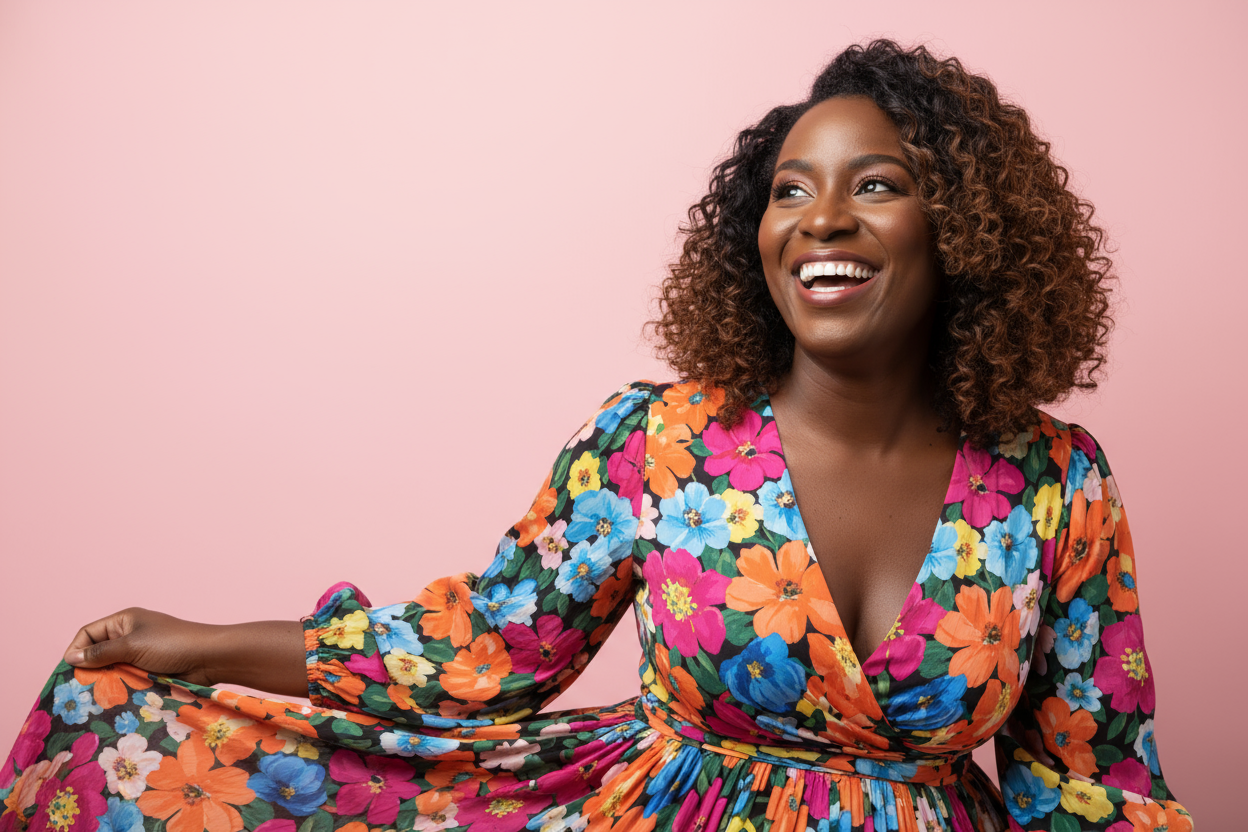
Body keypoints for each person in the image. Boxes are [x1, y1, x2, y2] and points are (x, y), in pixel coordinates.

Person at [0, 39, 1191, 832]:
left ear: (965, 228)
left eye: (874, 184)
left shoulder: (1058, 485)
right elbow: (483, 652)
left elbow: (1091, 780)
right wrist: (192, 644)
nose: (822, 218)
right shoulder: (658, 443)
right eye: (789, 189)